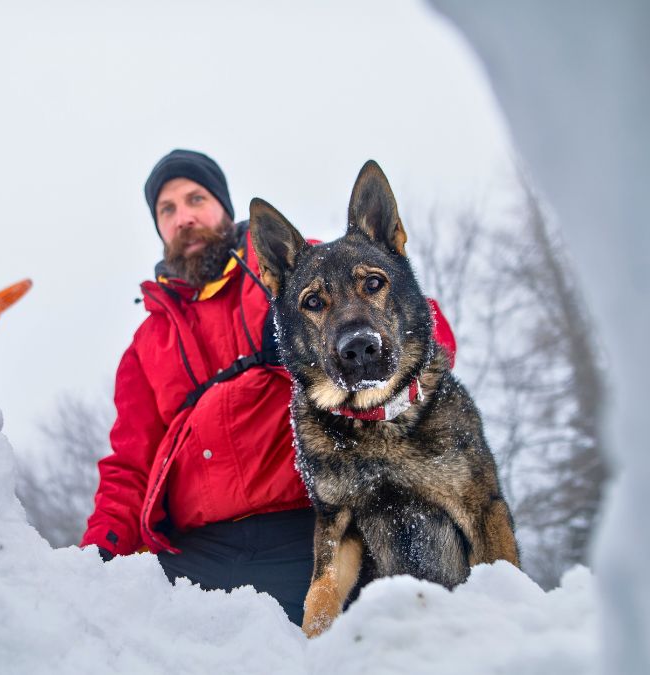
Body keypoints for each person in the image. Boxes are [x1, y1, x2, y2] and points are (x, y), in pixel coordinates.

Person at [80, 149, 455, 625]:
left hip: (312, 524)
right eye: (167, 210)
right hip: (195, 551)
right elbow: (128, 467)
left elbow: (418, 323)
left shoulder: (304, 277)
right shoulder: (145, 344)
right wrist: (95, 559)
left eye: (196, 199)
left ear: (225, 207)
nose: (184, 218)